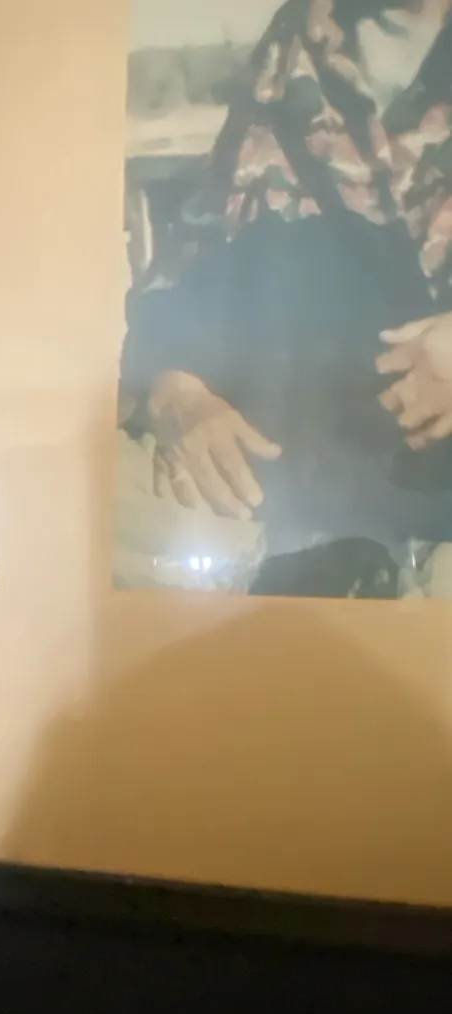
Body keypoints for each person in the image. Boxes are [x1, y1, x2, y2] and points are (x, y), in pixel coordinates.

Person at [118, 0, 452, 597]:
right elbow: (197, 259)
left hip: (429, 512)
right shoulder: (297, 45)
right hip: (269, 490)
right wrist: (177, 392)